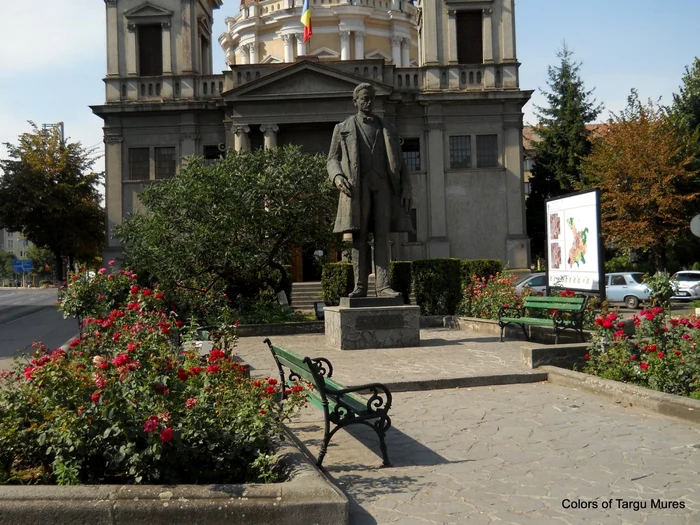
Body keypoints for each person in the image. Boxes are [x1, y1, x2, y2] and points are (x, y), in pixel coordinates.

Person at [327, 83, 413, 298]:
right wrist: (337, 176)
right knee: (359, 236)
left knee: (382, 236)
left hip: (384, 186)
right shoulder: (343, 128)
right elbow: (332, 159)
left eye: (370, 98)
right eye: (363, 98)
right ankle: (360, 286)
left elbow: (401, 162)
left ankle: (383, 286)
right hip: (357, 188)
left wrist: (406, 187)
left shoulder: (388, 128)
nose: (367, 102)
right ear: (355, 101)